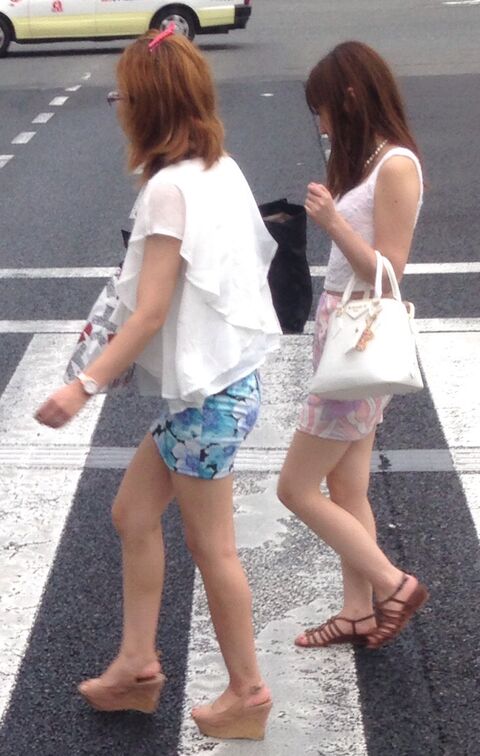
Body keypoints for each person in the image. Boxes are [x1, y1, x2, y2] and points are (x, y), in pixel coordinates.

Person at [35, 25, 280, 740]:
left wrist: (82, 387)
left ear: (149, 106)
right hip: (218, 385)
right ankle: (137, 666)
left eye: (123, 96)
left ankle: (249, 695)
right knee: (132, 515)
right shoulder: (219, 168)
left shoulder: (170, 189)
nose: (118, 108)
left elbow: (148, 312)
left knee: (214, 548)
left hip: (207, 398)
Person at [277, 41, 429, 650]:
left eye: (321, 108)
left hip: (359, 338)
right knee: (346, 489)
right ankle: (359, 613)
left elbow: (389, 270)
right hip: (341, 331)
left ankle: (394, 585)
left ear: (347, 96)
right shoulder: (366, 160)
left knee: (294, 488)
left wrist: (333, 223)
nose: (319, 122)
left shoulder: (396, 165)